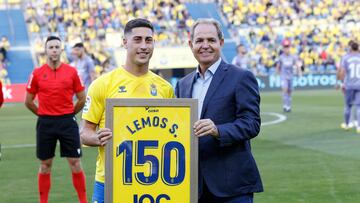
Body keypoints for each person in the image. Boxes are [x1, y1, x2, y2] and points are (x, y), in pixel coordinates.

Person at [80, 18, 174, 203]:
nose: (144, 46)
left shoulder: (165, 88)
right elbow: (84, 132)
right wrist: (97, 138)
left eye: (149, 40)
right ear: (125, 42)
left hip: (153, 182)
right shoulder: (102, 84)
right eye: (137, 39)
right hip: (110, 180)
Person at [175, 18, 263, 203]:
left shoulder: (241, 77)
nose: (205, 45)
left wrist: (218, 130)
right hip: (194, 186)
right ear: (191, 45)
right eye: (199, 41)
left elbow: (252, 123)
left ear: (221, 43)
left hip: (232, 186)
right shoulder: (182, 85)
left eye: (211, 40)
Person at [24, 36, 87, 203]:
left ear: (61, 50)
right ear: (46, 50)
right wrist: (42, 114)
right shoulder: (37, 73)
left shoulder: (72, 72)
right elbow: (28, 101)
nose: (53, 50)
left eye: (56, 47)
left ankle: (83, 200)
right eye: (50, 47)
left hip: (67, 122)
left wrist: (69, 113)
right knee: (45, 165)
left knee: (75, 162)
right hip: (46, 123)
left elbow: (82, 98)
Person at [337, 41, 360, 133]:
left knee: (348, 106)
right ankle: (359, 127)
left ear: (350, 48)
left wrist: (342, 83)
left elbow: (342, 72)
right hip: (359, 84)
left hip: (349, 85)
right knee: (359, 106)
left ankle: (347, 125)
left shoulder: (346, 58)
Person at [276, 39, 302, 112]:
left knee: (290, 91)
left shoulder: (293, 57)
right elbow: (278, 66)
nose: (286, 48)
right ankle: (285, 105)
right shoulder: (281, 57)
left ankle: (289, 105)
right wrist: (277, 73)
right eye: (285, 47)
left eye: (287, 47)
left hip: (291, 76)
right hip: (284, 76)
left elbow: (297, 64)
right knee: (285, 89)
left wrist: (299, 72)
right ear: (283, 48)